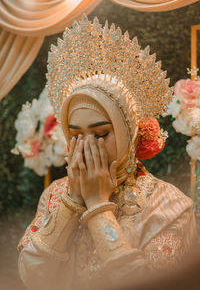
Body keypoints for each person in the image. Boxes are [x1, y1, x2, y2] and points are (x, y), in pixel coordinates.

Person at [18, 15, 197, 290]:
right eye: (76, 135)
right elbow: (31, 277)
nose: (88, 147)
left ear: (129, 133)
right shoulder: (55, 194)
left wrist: (98, 206)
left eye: (101, 134)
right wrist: (73, 200)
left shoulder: (169, 205)